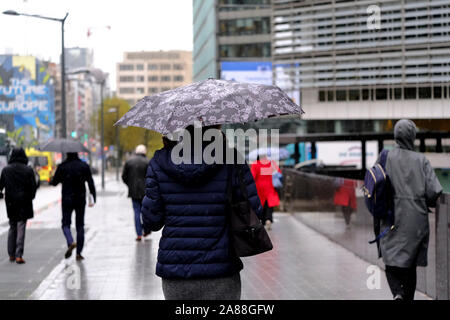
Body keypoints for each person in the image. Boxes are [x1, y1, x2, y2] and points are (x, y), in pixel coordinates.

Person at [141, 126, 262, 300]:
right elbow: (254, 210)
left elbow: (151, 221)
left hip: (176, 271)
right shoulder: (230, 158)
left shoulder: (159, 163)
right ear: (214, 128)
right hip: (221, 268)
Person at [378, 119, 442, 301]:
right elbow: (434, 191)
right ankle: (406, 297)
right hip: (415, 221)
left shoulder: (384, 157)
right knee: (410, 264)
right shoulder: (421, 161)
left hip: (390, 219)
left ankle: (398, 292)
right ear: (412, 136)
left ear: (396, 135)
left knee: (390, 260)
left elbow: (374, 185)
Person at [50, 152, 96, 261]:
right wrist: (93, 196)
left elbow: (54, 182)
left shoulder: (62, 166)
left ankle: (70, 242)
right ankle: (79, 253)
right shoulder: (84, 166)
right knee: (80, 225)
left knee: (65, 224)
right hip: (80, 198)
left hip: (67, 198)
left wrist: (53, 178)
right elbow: (90, 182)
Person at [0, 148, 37, 264]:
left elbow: (0, 186)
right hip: (24, 201)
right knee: (21, 226)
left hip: (11, 201)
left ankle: (11, 254)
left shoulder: (6, 170)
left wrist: (3, 194)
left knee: (12, 226)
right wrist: (31, 196)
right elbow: (33, 187)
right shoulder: (28, 170)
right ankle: (18, 255)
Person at [122, 144, 149, 241]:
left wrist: (130, 185)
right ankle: (146, 230)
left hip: (133, 192)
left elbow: (124, 177)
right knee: (146, 212)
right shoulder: (148, 162)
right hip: (146, 192)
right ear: (144, 152)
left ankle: (138, 234)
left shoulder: (129, 161)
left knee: (136, 212)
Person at [251, 154, 280, 230]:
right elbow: (278, 173)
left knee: (261, 205)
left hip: (259, 188)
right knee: (269, 206)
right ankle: (268, 219)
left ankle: (262, 221)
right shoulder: (272, 163)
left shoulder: (256, 164)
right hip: (270, 188)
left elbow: (252, 176)